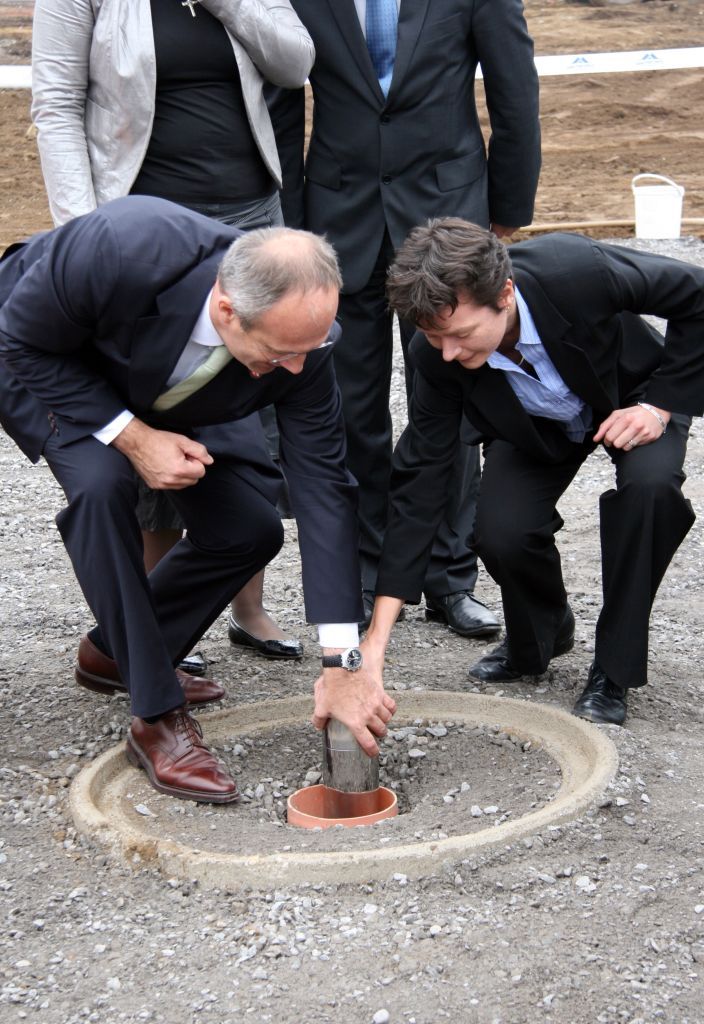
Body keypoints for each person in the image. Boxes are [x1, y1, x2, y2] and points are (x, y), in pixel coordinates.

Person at [0, 197, 396, 802]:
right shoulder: (121, 246)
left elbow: (325, 485)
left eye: (308, 349)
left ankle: (113, 656)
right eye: (282, 353)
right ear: (228, 310)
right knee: (102, 488)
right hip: (52, 358)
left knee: (250, 527)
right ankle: (155, 714)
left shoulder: (300, 345)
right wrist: (133, 437)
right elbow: (19, 340)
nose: (297, 369)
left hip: (185, 379)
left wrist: (341, 660)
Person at [30, 0, 315, 663]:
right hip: (141, 223)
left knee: (250, 413)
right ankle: (162, 615)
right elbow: (57, 106)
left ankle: (248, 606)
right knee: (156, 403)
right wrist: (83, 238)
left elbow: (295, 63)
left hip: (251, 218)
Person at [363, 218, 704, 727]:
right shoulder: (436, 356)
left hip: (632, 396)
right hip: (532, 425)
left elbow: (697, 294)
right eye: (435, 338)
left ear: (504, 294)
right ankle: (542, 634)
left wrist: (659, 405)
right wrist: (376, 641)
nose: (449, 353)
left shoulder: (576, 270)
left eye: (460, 334)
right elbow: (421, 483)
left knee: (650, 491)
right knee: (501, 532)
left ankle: (613, 669)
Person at [287, 0, 541, 635]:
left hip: (446, 214)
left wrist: (508, 206)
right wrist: (288, 222)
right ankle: (366, 571)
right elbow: (280, 99)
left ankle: (450, 576)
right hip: (337, 216)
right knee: (350, 409)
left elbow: (514, 88)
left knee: (450, 398)